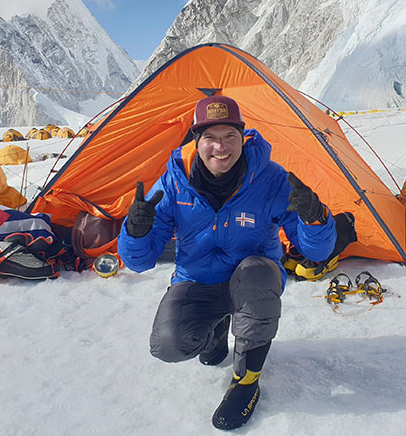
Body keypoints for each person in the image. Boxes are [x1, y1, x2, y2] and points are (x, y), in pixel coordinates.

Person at [118, 94, 336, 430]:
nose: (221, 147)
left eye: (229, 136)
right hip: (197, 280)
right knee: (167, 345)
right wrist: (135, 231)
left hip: (254, 278)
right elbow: (141, 261)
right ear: (196, 139)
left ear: (243, 137)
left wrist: (315, 219)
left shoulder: (271, 179)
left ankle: (246, 380)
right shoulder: (175, 183)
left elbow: (316, 253)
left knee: (254, 273)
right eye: (210, 137)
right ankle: (216, 333)